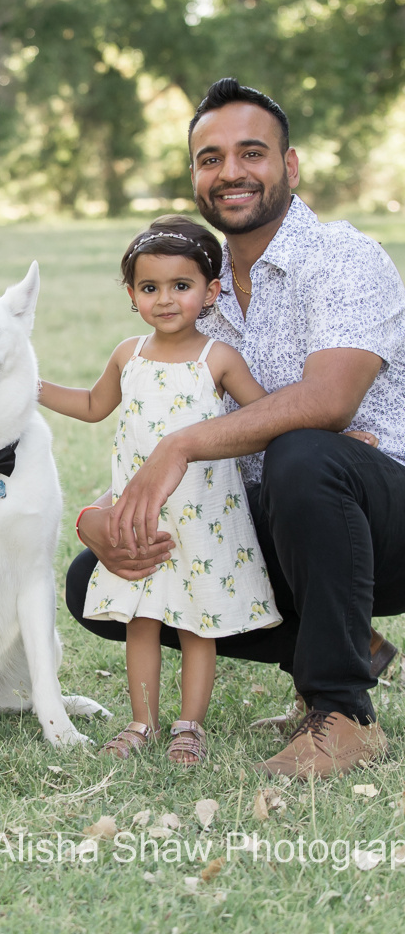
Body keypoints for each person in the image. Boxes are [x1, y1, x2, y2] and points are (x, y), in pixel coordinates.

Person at [68, 78, 405, 778]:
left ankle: (344, 714)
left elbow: (330, 401)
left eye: (252, 152)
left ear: (290, 166)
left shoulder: (344, 259)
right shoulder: (198, 299)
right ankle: (343, 642)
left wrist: (185, 443)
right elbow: (156, 437)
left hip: (385, 517)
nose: (230, 172)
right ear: (195, 176)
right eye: (210, 158)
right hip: (291, 523)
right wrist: (97, 516)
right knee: (98, 575)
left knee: (306, 454)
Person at [40, 216, 281, 765]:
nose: (166, 300)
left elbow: (266, 413)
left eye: (181, 286)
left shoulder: (216, 358)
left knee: (199, 625)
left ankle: (189, 725)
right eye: (150, 288)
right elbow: (92, 406)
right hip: (140, 519)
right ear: (132, 295)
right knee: (140, 620)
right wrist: (29, 385)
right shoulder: (129, 355)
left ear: (210, 291)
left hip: (203, 518)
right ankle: (142, 721)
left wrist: (333, 429)